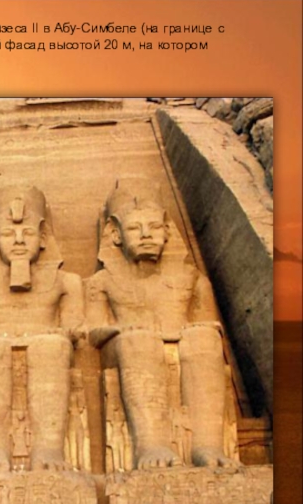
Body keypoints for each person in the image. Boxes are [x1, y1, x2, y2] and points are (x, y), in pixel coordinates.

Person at [87, 182, 239, 469]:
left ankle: (207, 446)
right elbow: (93, 332)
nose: (146, 235)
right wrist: (121, 329)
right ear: (115, 234)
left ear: (168, 230)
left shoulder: (192, 278)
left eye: (154, 227)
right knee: (139, 341)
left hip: (178, 340)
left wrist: (188, 330)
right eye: (135, 228)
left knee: (204, 339)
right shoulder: (102, 281)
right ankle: (150, 444)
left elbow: (210, 324)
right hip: (127, 347)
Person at [0, 185, 83, 472]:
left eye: (28, 233)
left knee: (52, 346)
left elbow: (75, 328)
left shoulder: (67, 282)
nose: (20, 241)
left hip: (48, 346)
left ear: (43, 238)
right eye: (10, 234)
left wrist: (67, 332)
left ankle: (48, 451)